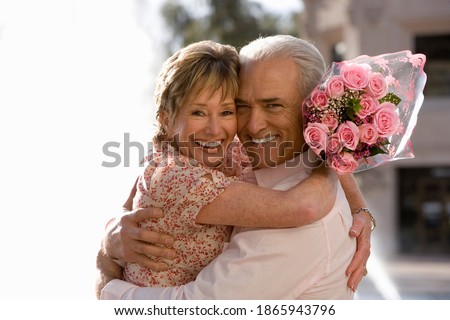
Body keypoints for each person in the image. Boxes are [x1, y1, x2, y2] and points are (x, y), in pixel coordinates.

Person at [97, 35, 374, 299]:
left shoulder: (293, 219)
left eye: (227, 111)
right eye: (198, 112)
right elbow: (302, 206)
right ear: (166, 120)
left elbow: (306, 209)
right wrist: (330, 153)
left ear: (312, 109)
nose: (251, 126)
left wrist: (108, 286)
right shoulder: (180, 173)